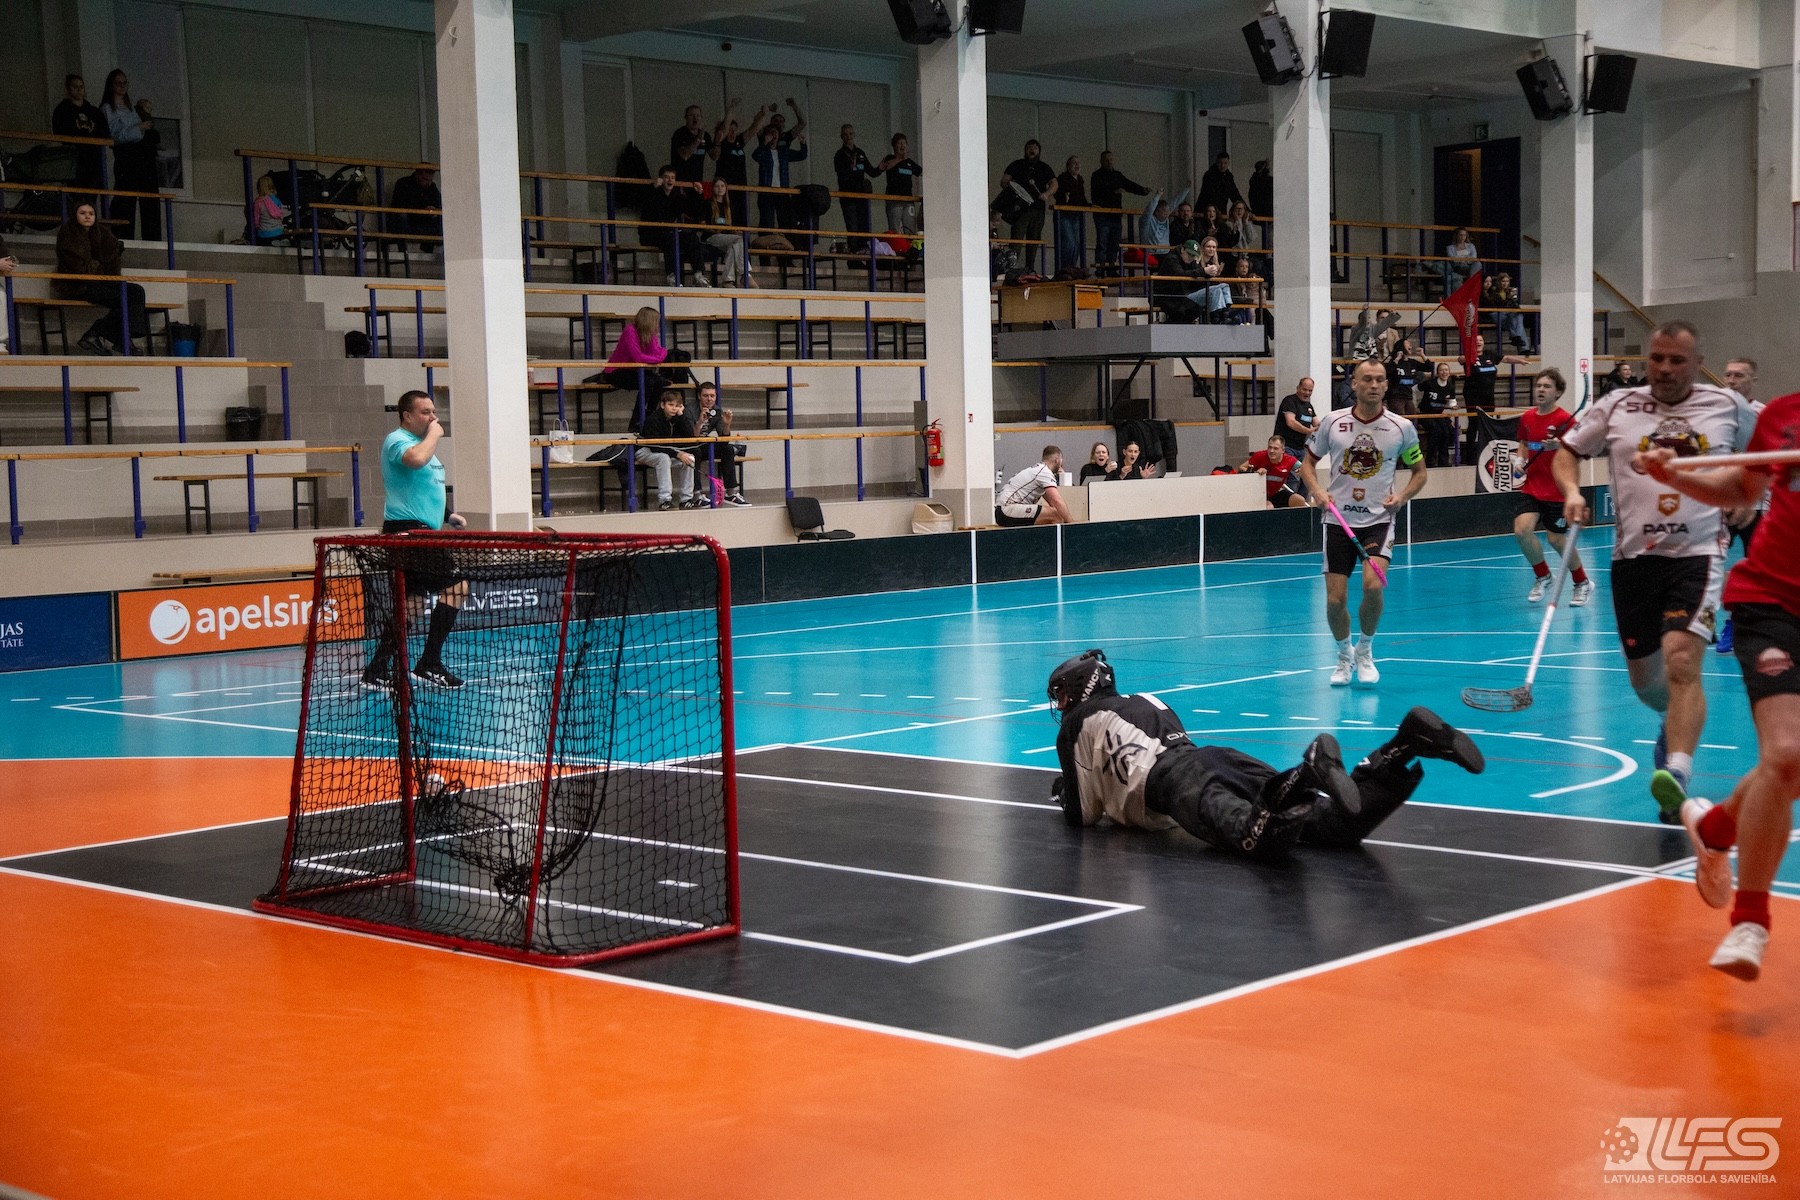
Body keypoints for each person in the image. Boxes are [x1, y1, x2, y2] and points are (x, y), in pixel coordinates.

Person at [1554, 320, 1757, 822]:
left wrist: (1750, 497)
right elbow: (1567, 452)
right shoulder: (1617, 405)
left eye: (1677, 360)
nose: (1664, 369)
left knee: (1683, 661)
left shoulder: (1729, 406)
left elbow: (1764, 456)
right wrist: (1572, 492)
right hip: (1633, 560)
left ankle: (1677, 774)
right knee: (1647, 684)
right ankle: (1671, 720)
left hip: (1698, 554)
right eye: (1657, 358)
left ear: (1698, 363)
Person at [1638, 390, 1800, 980]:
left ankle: (1715, 828)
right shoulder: (1783, 417)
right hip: (1772, 602)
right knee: (1787, 754)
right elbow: (1740, 490)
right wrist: (1674, 476)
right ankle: (1750, 922)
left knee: (1791, 770)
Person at [1047, 649, 1484, 861]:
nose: (1061, 704)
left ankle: (1306, 773)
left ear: (1080, 688)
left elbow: (1083, 815)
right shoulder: (1146, 699)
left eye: (1062, 694)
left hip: (1175, 782)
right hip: (1214, 757)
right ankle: (1402, 747)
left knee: (1256, 836)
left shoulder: (1074, 726)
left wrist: (1064, 789)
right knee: (1333, 826)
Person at [1299, 357, 1429, 686]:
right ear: (1354, 384)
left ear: (1386, 385)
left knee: (1372, 587)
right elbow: (1307, 465)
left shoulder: (1401, 428)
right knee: (1335, 601)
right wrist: (1317, 492)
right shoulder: (1333, 423)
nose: (1373, 385)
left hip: (1379, 520)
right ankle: (1345, 655)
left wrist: (1402, 496)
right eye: (1367, 379)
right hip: (1338, 521)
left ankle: (1365, 649)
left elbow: (1419, 473)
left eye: (1379, 379)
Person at [363, 390, 468, 692]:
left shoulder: (424, 447)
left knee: (412, 604)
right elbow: (416, 461)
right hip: (409, 533)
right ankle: (429, 663)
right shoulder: (398, 440)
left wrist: (448, 515)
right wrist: (435, 433)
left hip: (424, 531)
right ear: (407, 416)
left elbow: (420, 490)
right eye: (425, 412)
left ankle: (376, 669)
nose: (433, 417)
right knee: (457, 587)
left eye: (434, 412)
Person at [1511, 368, 1593, 606]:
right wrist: (1519, 462)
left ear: (1557, 393)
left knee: (1556, 540)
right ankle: (1543, 576)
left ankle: (1581, 582)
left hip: (1557, 489)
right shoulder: (1527, 418)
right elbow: (1524, 443)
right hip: (1532, 486)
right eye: (1538, 385)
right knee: (1521, 531)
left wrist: (1559, 446)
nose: (1541, 390)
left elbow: (1580, 452)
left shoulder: (1565, 420)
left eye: (1547, 386)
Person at [55, 202, 147, 355]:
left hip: (102, 281)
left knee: (136, 291)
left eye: (91, 213)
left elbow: (111, 260)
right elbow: (77, 267)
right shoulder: (68, 234)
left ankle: (109, 334)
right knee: (123, 299)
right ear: (75, 215)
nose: (87, 216)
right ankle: (118, 338)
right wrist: (98, 265)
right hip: (78, 284)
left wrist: (98, 265)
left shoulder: (102, 232)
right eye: (82, 213)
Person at [100, 70, 161, 241]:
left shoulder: (131, 107)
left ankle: (152, 240)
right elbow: (115, 135)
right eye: (118, 83)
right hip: (126, 156)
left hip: (143, 155)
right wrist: (139, 128)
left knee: (150, 198)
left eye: (125, 82)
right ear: (111, 85)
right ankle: (123, 238)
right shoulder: (107, 108)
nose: (122, 86)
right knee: (126, 199)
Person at [604, 306, 681, 424]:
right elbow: (638, 357)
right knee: (648, 382)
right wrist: (660, 356)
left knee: (660, 381)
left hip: (634, 370)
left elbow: (656, 351)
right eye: (655, 321)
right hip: (617, 371)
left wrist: (659, 353)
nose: (657, 325)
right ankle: (637, 421)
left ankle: (650, 417)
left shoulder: (650, 334)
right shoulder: (630, 331)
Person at [640, 165, 713, 286]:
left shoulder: (677, 196)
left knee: (692, 238)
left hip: (669, 232)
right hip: (650, 232)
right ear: (660, 179)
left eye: (672, 178)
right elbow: (645, 205)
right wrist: (654, 188)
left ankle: (698, 274)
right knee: (672, 239)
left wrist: (698, 194)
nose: (670, 180)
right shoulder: (652, 192)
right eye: (666, 177)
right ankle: (672, 276)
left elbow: (694, 212)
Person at [999, 140, 1057, 274]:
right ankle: (1011, 269)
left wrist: (1047, 194)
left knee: (1034, 239)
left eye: (1035, 147)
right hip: (1020, 208)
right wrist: (1013, 192)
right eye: (1029, 147)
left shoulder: (1044, 167)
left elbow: (1054, 184)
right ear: (1025, 150)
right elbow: (1004, 181)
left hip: (1038, 209)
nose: (1032, 150)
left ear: (1039, 151)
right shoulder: (1017, 164)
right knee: (1017, 238)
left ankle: (1029, 269)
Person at [751, 100, 808, 234]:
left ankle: (785, 247)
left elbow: (801, 154)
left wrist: (803, 143)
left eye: (781, 121)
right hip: (766, 191)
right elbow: (755, 155)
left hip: (782, 191)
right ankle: (765, 247)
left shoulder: (785, 145)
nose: (778, 124)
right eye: (776, 121)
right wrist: (767, 110)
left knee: (785, 222)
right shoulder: (764, 144)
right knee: (766, 223)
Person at [711, 100, 770, 228]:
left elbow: (753, 129)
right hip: (726, 190)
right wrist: (731, 109)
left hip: (741, 188)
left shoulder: (739, 142)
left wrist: (765, 115)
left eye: (735, 130)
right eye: (730, 130)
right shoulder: (722, 143)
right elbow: (724, 126)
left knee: (742, 220)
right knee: (727, 218)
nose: (733, 133)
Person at [691, 379, 750, 507]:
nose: (709, 399)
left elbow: (724, 439)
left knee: (727, 449)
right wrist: (700, 422)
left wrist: (727, 425)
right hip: (690, 445)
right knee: (695, 452)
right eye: (706, 395)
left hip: (704, 444)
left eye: (712, 396)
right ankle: (696, 495)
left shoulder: (716, 411)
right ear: (699, 396)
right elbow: (690, 438)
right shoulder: (690, 410)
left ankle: (730, 493)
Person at [639, 390, 699, 511]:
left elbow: (690, 437)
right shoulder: (653, 419)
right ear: (662, 405)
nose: (674, 408)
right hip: (645, 450)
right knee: (664, 458)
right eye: (670, 405)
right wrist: (678, 454)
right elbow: (655, 446)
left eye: (677, 405)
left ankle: (686, 499)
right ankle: (665, 501)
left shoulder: (677, 418)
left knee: (689, 459)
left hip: (666, 450)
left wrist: (682, 416)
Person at [1089, 151, 1148, 271]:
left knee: (1114, 244)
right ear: (1101, 161)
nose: (1109, 162)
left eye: (1111, 159)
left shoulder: (1117, 175)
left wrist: (1142, 190)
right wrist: (1113, 192)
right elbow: (1096, 194)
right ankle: (1101, 271)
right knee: (1102, 244)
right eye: (1106, 160)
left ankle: (1111, 270)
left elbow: (1129, 185)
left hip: (1116, 216)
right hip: (1102, 216)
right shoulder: (1096, 176)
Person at [51, 74, 107, 191]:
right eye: (75, 86)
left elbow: (104, 131)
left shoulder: (94, 112)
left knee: (93, 190)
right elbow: (59, 131)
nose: (79, 89)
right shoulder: (62, 111)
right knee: (76, 190)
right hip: (74, 157)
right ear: (68, 89)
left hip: (92, 158)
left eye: (81, 86)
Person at [996, 445, 1072, 526]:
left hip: (1002, 510)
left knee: (1052, 514)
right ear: (1057, 460)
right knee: (1055, 515)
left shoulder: (1038, 470)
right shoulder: (1045, 472)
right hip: (1007, 509)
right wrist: (1072, 523)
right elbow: (1057, 501)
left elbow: (1053, 503)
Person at [832, 125, 877, 253]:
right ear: (841, 137)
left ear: (854, 135)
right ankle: (854, 256)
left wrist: (882, 167)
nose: (849, 137)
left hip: (862, 196)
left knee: (864, 225)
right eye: (846, 134)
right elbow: (842, 177)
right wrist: (851, 166)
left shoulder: (860, 153)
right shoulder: (839, 155)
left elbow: (872, 171)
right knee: (852, 227)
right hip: (848, 197)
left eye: (851, 134)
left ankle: (865, 252)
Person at [703, 178, 753, 287]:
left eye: (722, 186)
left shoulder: (730, 206)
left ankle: (728, 281)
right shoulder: (707, 203)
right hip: (712, 236)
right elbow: (703, 224)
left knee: (732, 247)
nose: (720, 188)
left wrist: (734, 231)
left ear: (726, 189)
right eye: (717, 186)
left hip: (728, 238)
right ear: (713, 188)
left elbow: (733, 226)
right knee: (739, 240)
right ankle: (745, 274)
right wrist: (716, 229)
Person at [1240, 435, 1307, 508]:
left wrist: (1302, 472)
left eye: (1275, 448)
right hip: (1257, 494)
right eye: (1270, 447)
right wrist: (1255, 473)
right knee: (1269, 507)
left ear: (1283, 450)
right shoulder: (1259, 456)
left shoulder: (1290, 460)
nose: (1271, 451)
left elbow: (1304, 469)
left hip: (1275, 493)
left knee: (1299, 500)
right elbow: (1241, 467)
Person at [876, 133, 922, 236]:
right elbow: (888, 166)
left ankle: (910, 246)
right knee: (895, 229)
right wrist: (901, 158)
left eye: (904, 143)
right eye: (899, 143)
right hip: (894, 200)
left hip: (908, 200)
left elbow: (920, 172)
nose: (902, 146)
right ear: (894, 146)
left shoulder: (909, 162)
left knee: (910, 229)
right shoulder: (889, 158)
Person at [389, 167, 443, 253]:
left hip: (422, 222)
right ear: (418, 174)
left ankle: (428, 250)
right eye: (425, 179)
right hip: (408, 221)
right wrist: (422, 210)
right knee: (402, 215)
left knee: (440, 218)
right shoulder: (403, 183)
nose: (428, 183)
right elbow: (400, 204)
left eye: (430, 180)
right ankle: (403, 251)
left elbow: (439, 203)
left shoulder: (432, 187)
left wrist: (433, 209)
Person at [1137, 186, 1188, 269]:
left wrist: (1187, 188)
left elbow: (1175, 202)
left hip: (1165, 253)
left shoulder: (1165, 219)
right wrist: (1158, 195)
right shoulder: (1146, 221)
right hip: (1151, 254)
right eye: (1163, 210)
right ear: (1156, 211)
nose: (1167, 212)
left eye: (1167, 210)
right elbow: (1149, 209)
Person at [1053, 156, 1087, 270]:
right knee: (1069, 243)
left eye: (1078, 163)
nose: (1077, 165)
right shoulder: (1062, 178)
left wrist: (1089, 205)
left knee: (1077, 244)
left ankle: (1072, 268)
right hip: (1064, 215)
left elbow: (1081, 198)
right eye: (1074, 163)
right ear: (1068, 166)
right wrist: (1065, 196)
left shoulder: (1080, 180)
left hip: (1077, 216)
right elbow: (1057, 194)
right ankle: (1064, 269)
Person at [1382, 338, 1431, 417]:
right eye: (1407, 343)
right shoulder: (1394, 362)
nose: (1410, 345)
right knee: (1400, 418)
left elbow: (1429, 368)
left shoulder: (1412, 362)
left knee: (1412, 418)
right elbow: (1388, 372)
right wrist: (1397, 359)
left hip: (1408, 396)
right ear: (1401, 347)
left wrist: (1422, 355)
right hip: (1396, 397)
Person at [1484, 271, 1531, 353]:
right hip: (1498, 315)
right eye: (1503, 281)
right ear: (1499, 282)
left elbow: (1515, 307)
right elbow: (1498, 306)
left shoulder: (1510, 291)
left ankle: (1516, 338)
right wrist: (1508, 299)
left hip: (1508, 317)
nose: (1505, 283)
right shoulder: (1493, 291)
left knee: (1518, 316)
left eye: (1507, 281)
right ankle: (1523, 347)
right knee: (1516, 319)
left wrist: (1513, 299)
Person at [1272, 377, 1317, 459]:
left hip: (1301, 448)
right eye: (1304, 389)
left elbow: (1316, 423)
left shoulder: (1309, 406)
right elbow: (1291, 422)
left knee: (1304, 467)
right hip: (1286, 447)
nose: (1307, 393)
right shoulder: (1289, 401)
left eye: (1310, 391)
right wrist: (1308, 431)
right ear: (1298, 388)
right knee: (1291, 467)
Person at [669, 105, 712, 184]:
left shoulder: (705, 135)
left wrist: (718, 141)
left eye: (698, 116)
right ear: (686, 118)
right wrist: (698, 139)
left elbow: (714, 156)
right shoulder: (679, 134)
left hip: (697, 182)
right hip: (680, 182)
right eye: (692, 115)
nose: (695, 118)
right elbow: (685, 155)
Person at [1440, 227, 1479, 297]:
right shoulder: (1450, 248)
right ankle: (1470, 286)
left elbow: (1474, 258)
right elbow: (1453, 260)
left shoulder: (1471, 246)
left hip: (1470, 266)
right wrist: (1466, 258)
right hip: (1459, 267)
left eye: (1464, 235)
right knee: (1473, 268)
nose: (1463, 237)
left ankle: (1470, 284)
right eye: (1461, 235)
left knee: (1478, 264)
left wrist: (1461, 259)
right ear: (1456, 236)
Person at [252, 174, 288, 245]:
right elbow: (282, 216)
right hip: (278, 233)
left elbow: (256, 221)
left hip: (264, 235)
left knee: (259, 238)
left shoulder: (258, 202)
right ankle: (278, 241)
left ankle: (271, 242)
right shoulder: (277, 200)